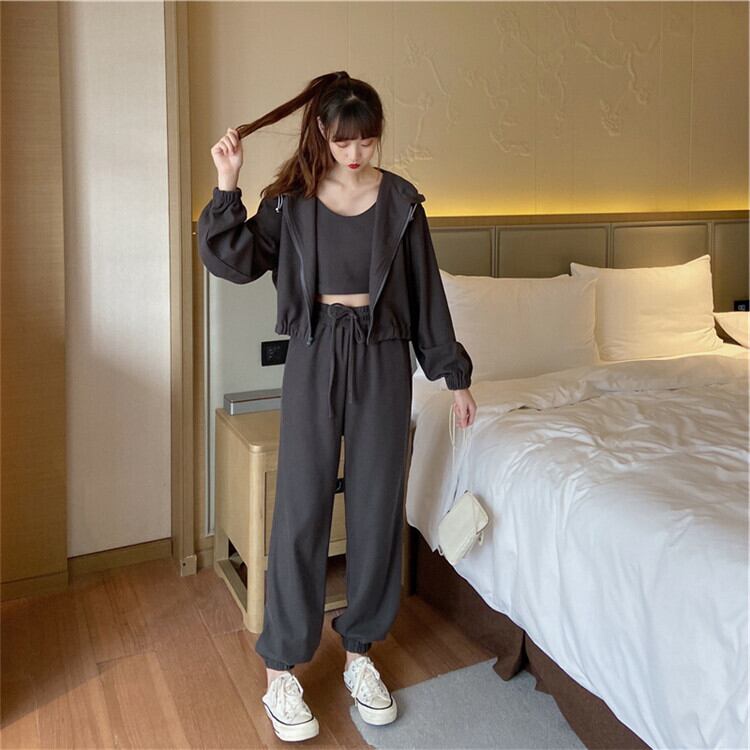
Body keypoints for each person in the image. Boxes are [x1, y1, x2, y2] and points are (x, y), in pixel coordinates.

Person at [197, 70, 476, 743]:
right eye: (345, 141)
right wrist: (228, 184)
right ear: (323, 132)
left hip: (383, 356)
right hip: (316, 351)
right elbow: (234, 259)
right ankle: (281, 669)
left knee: (378, 507)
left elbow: (426, 294)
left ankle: (359, 654)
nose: (356, 154)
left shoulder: (402, 201)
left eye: (368, 141)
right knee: (302, 508)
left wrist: (453, 374)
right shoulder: (291, 201)